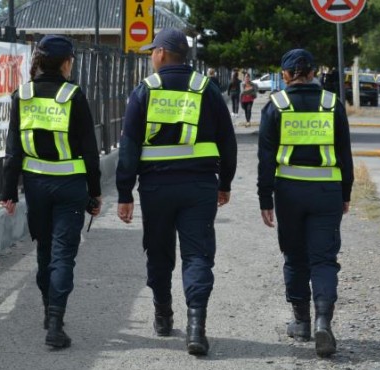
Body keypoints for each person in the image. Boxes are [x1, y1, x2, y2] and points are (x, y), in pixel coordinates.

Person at [115, 28, 237, 356]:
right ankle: (196, 327)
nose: (152, 55)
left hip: (156, 188)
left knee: (159, 252)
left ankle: (162, 314)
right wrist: (225, 182)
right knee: (197, 255)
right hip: (199, 186)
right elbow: (227, 140)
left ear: (163, 54)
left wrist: (124, 192)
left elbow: (128, 146)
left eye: (153, 50)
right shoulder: (206, 88)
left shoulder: (145, 90)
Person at [0, 35, 102, 349]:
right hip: (70, 187)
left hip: (36, 186)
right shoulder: (74, 95)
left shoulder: (23, 95)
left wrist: (9, 191)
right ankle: (55, 324)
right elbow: (89, 150)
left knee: (44, 251)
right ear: (65, 62)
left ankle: (48, 312)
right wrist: (95, 193)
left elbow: (13, 150)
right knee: (63, 256)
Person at [257, 49, 354, 358]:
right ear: (313, 73)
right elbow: (344, 152)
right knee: (324, 259)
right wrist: (346, 192)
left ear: (285, 75)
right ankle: (323, 321)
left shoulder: (276, 106)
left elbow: (265, 159)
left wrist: (264, 197)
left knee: (295, 256)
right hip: (326, 191)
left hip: (289, 193)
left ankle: (301, 323)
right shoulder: (331, 104)